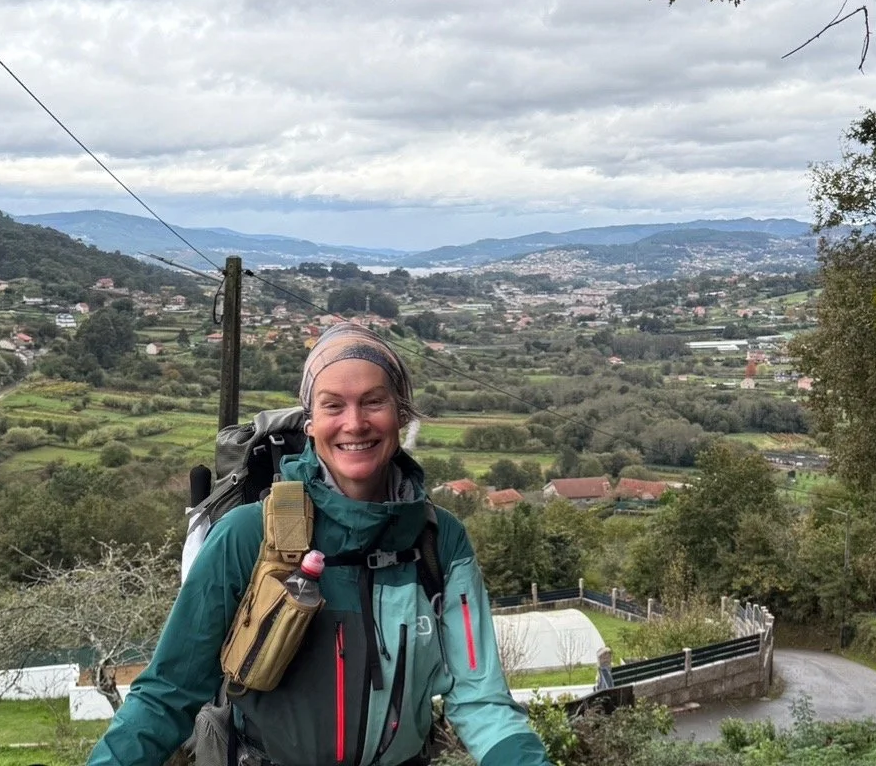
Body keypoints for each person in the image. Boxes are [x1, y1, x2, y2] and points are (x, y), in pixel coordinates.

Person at [86, 325, 543, 766]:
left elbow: (482, 702)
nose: (355, 423)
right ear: (310, 422)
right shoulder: (248, 535)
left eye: (373, 402)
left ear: (401, 413)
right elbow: (169, 692)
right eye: (332, 406)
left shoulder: (439, 542)